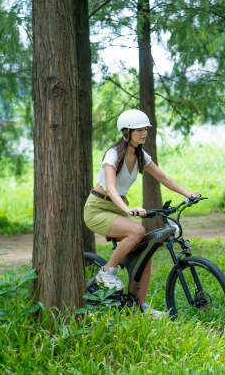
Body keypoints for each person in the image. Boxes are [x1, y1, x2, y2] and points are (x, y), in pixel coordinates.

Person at [83, 109, 201, 318]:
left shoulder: (140, 156)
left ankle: (140, 306)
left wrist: (188, 193)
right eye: (139, 130)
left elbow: (163, 178)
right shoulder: (112, 154)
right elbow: (110, 188)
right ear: (126, 132)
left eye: (145, 129)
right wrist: (128, 209)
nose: (143, 133)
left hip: (117, 208)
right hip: (98, 208)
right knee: (136, 230)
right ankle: (106, 271)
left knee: (144, 253)